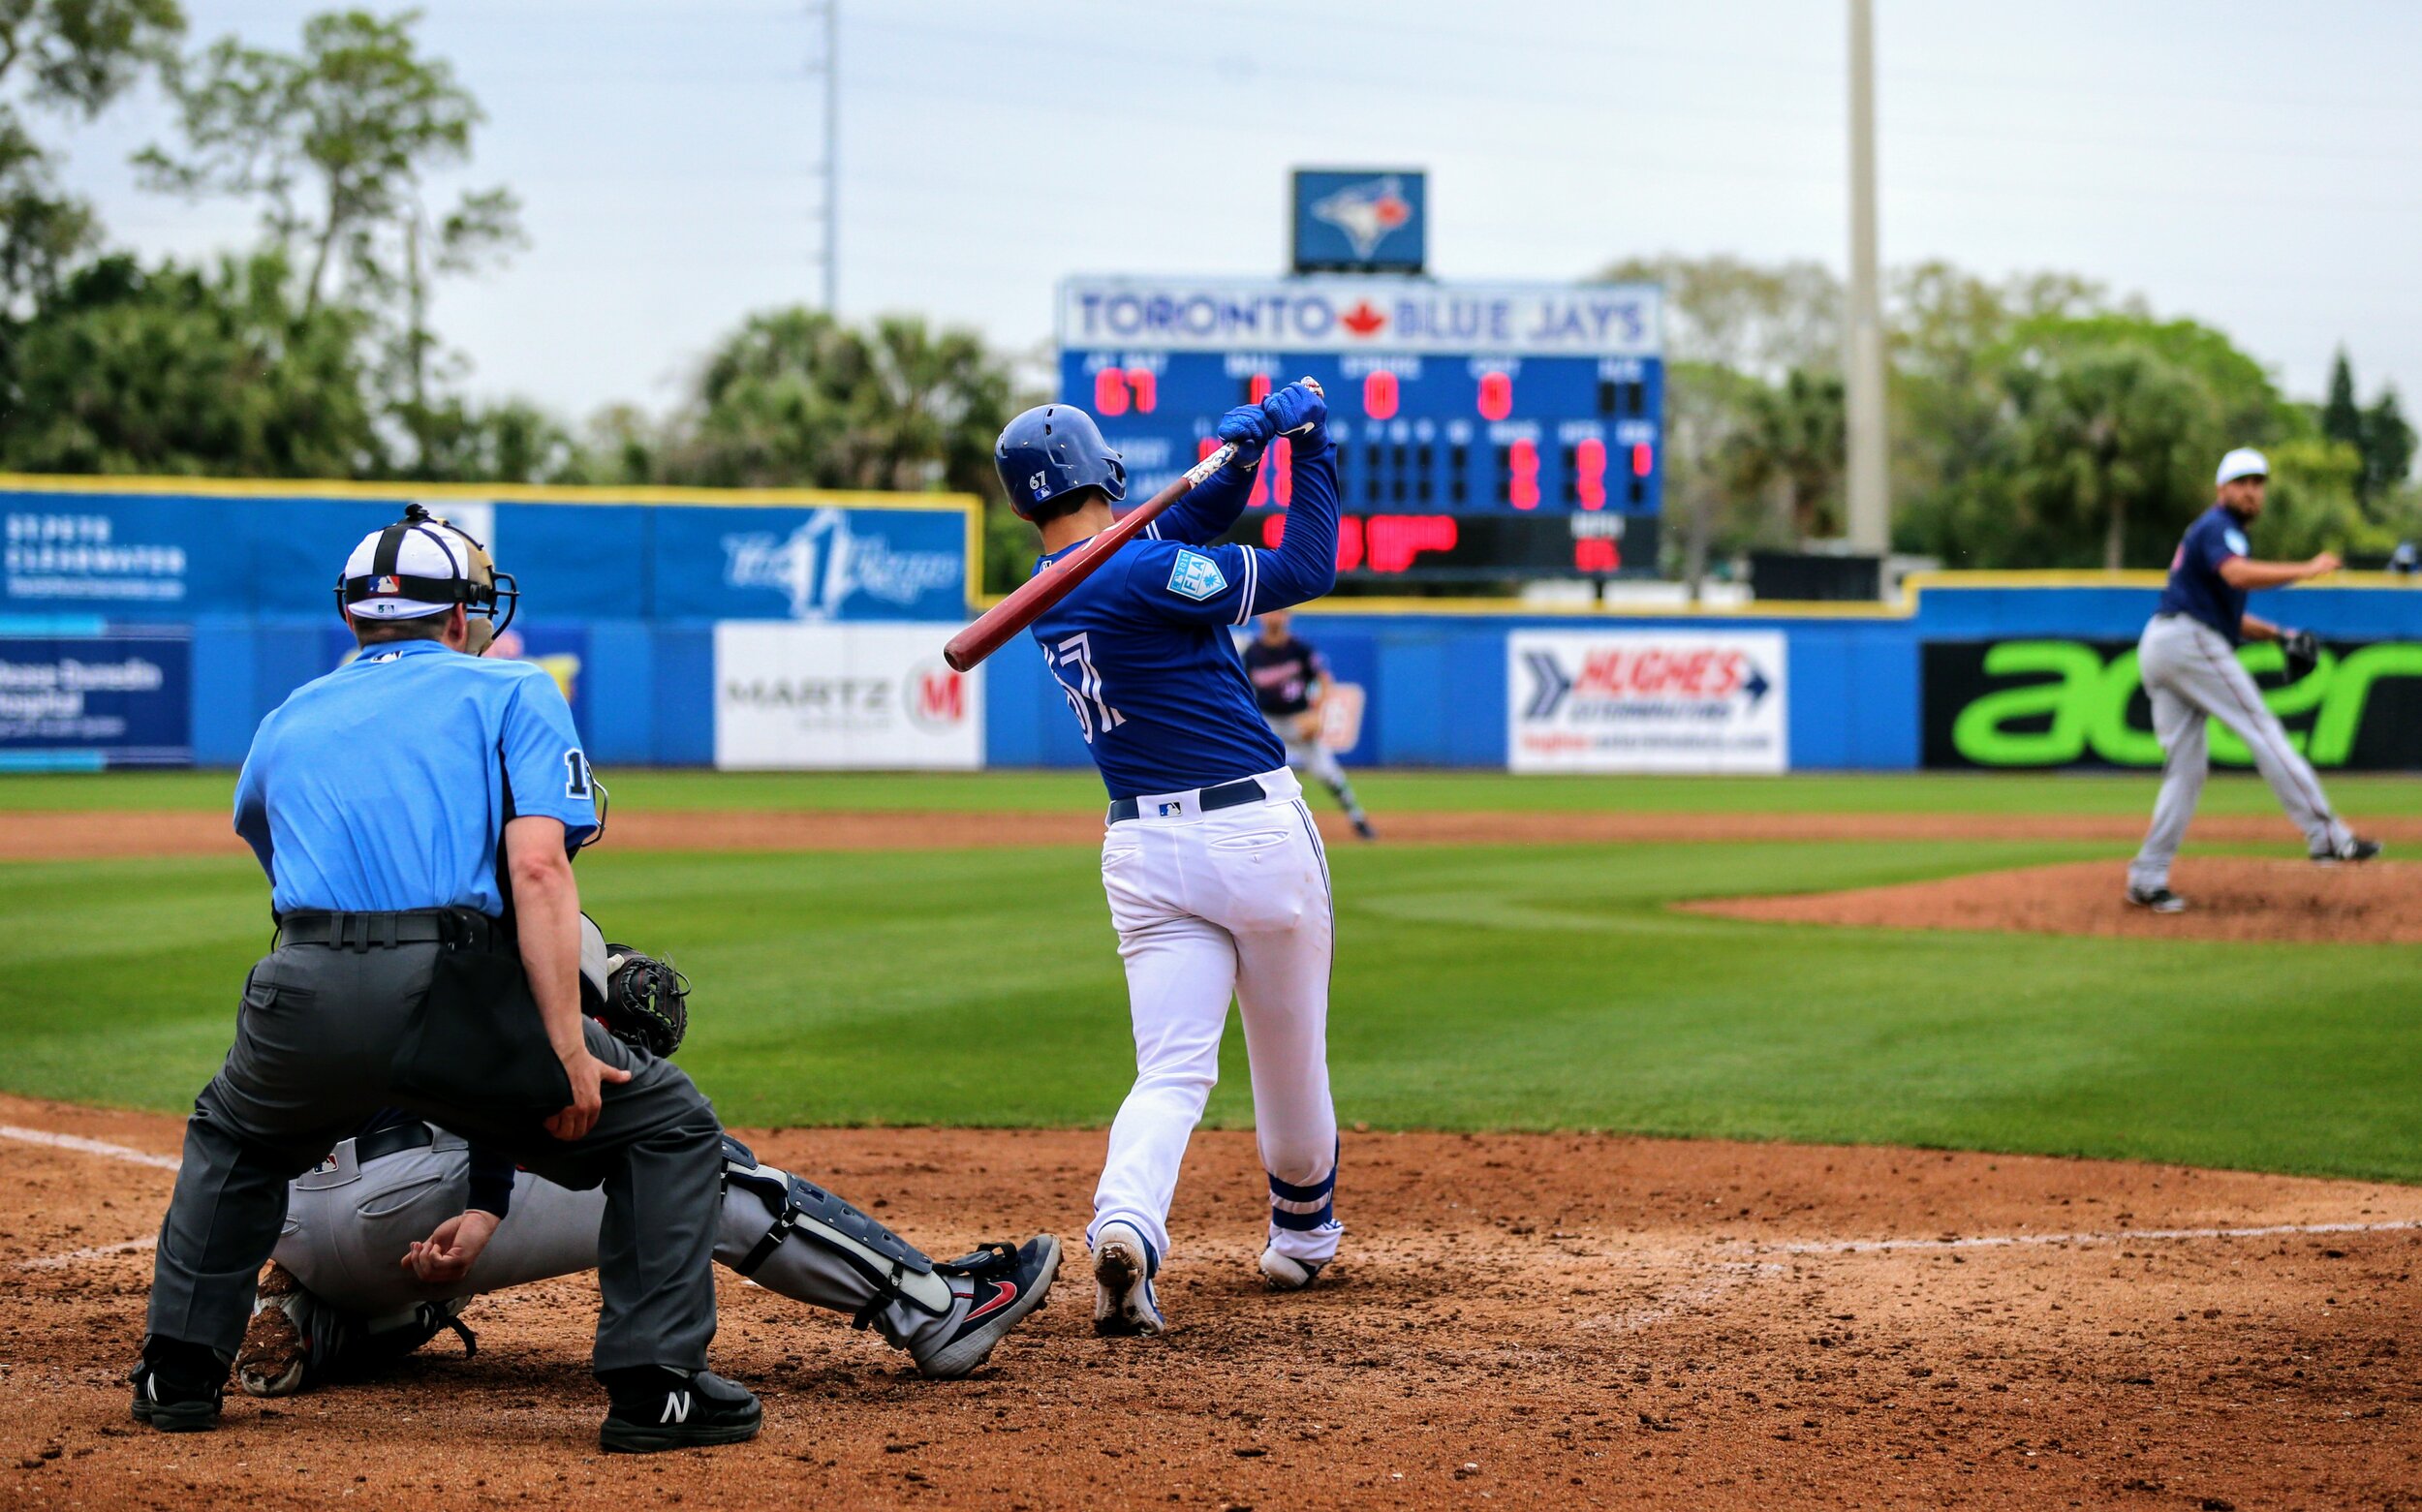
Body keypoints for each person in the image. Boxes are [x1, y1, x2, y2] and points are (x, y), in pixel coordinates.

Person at [136, 506, 756, 1453]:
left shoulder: (286, 716)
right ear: (460, 616)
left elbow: (265, 848)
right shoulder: (512, 690)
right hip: (453, 991)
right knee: (669, 1129)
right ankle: (653, 1387)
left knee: (232, 1137)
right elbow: (541, 870)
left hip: (297, 977)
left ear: (354, 620)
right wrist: (564, 1051)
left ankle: (175, 1376)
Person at [235, 920, 1060, 1397]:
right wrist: (488, 1204)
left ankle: (323, 1321)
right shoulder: (508, 914)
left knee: (430, 1228)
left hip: (298, 1216)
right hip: (415, 1198)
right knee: (693, 1161)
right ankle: (936, 1306)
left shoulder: (367, 929)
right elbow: (502, 1064)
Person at [994, 381, 1345, 1337]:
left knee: (1170, 1070)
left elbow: (1181, 523)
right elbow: (1307, 566)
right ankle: (1301, 1239)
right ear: (1098, 468)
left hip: (1142, 848)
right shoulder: (1142, 574)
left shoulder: (1050, 591)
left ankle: (1127, 1223)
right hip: (1251, 834)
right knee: (1285, 1056)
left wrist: (1242, 455)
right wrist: (1309, 446)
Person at [2126, 447, 2380, 911]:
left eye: (2257, 482)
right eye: (2241, 482)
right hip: (2186, 640)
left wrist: (2278, 636)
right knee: (2261, 728)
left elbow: (2229, 612)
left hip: (2165, 642)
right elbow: (2238, 575)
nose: (2250, 490)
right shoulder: (2218, 528)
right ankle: (2327, 835)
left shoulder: (2216, 535)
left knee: (2186, 770)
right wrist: (2307, 568)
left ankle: (2147, 875)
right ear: (2222, 489)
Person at [1242, 608, 1376, 840]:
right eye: (1270, 613)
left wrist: (1316, 714)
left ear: (1287, 617)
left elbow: (1324, 681)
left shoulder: (1300, 649)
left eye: (1280, 613)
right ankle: (1255, 827)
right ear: (1261, 617)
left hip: (1299, 719)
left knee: (1328, 773)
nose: (1275, 617)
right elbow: (1241, 689)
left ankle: (1357, 818)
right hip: (1269, 722)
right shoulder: (1252, 653)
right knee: (1255, 775)